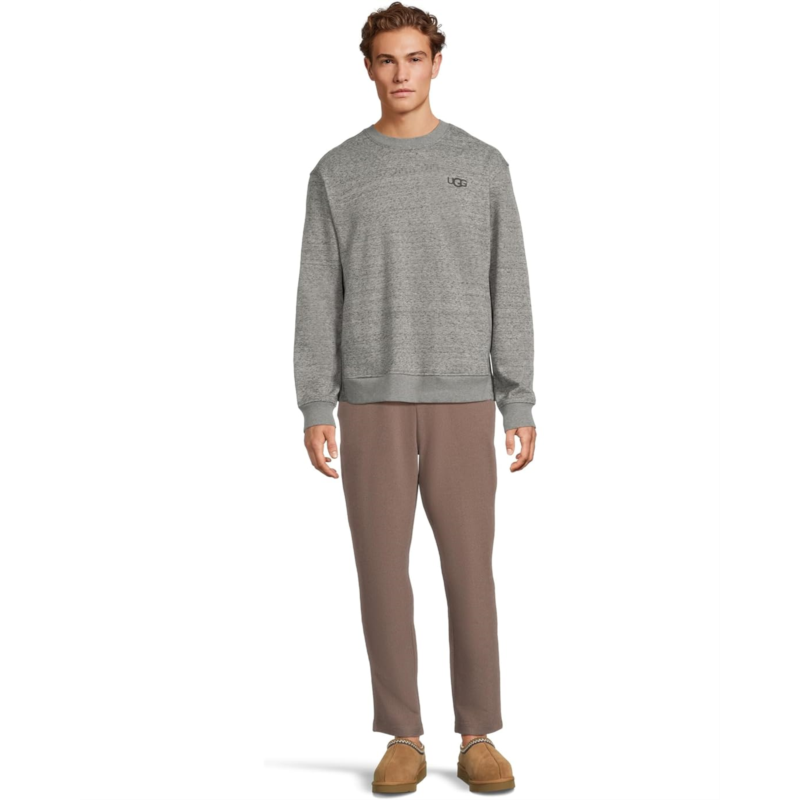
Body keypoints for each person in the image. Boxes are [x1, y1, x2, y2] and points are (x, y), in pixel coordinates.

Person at [293, 2, 535, 792]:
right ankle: (402, 735)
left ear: (437, 63)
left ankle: (477, 736)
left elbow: (509, 285)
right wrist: (316, 403)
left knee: (469, 572)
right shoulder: (337, 173)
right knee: (381, 573)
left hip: (464, 400)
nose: (401, 73)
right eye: (387, 59)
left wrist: (518, 399)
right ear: (368, 67)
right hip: (370, 403)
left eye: (415, 58)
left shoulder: (483, 164)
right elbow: (317, 293)